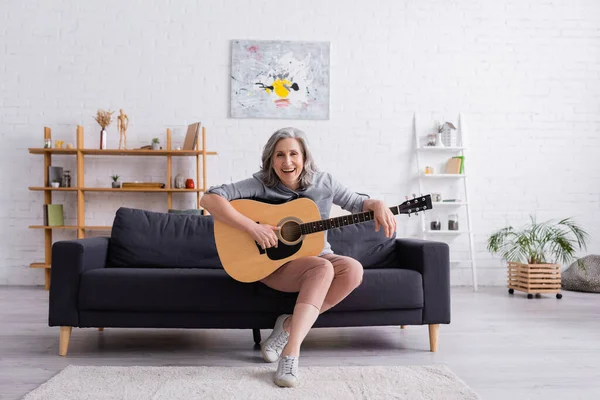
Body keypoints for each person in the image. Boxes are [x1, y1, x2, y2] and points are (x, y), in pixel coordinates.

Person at [200, 127, 396, 388]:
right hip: (274, 265)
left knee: (352, 270)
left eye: (294, 154)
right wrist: (253, 227)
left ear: (305, 157)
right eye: (279, 155)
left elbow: (357, 203)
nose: (287, 161)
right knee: (322, 269)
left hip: (318, 258)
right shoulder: (260, 184)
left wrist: (377, 204)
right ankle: (290, 354)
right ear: (271, 159)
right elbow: (209, 198)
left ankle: (288, 327)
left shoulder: (324, 182)